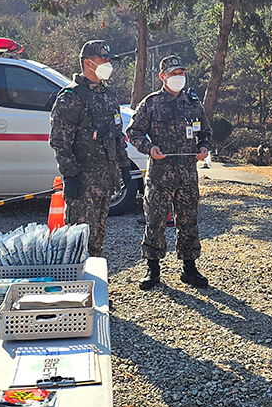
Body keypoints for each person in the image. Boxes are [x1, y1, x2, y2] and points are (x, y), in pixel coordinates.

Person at [127, 55, 212, 290]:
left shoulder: (193, 103)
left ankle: (189, 268)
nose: (178, 78)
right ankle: (152, 268)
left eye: (181, 73)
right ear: (162, 77)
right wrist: (149, 148)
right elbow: (133, 131)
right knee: (155, 221)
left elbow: (205, 132)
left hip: (187, 175)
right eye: (173, 74)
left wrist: (204, 147)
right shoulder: (151, 103)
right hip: (160, 177)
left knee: (189, 221)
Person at [49, 40, 130, 257]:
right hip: (83, 183)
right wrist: (71, 176)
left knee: (96, 241)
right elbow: (59, 141)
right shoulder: (71, 97)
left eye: (108, 60)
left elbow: (116, 133)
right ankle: (74, 285)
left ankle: (93, 285)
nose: (108, 64)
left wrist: (124, 167)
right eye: (103, 60)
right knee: (76, 243)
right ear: (88, 63)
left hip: (105, 181)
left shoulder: (108, 94)